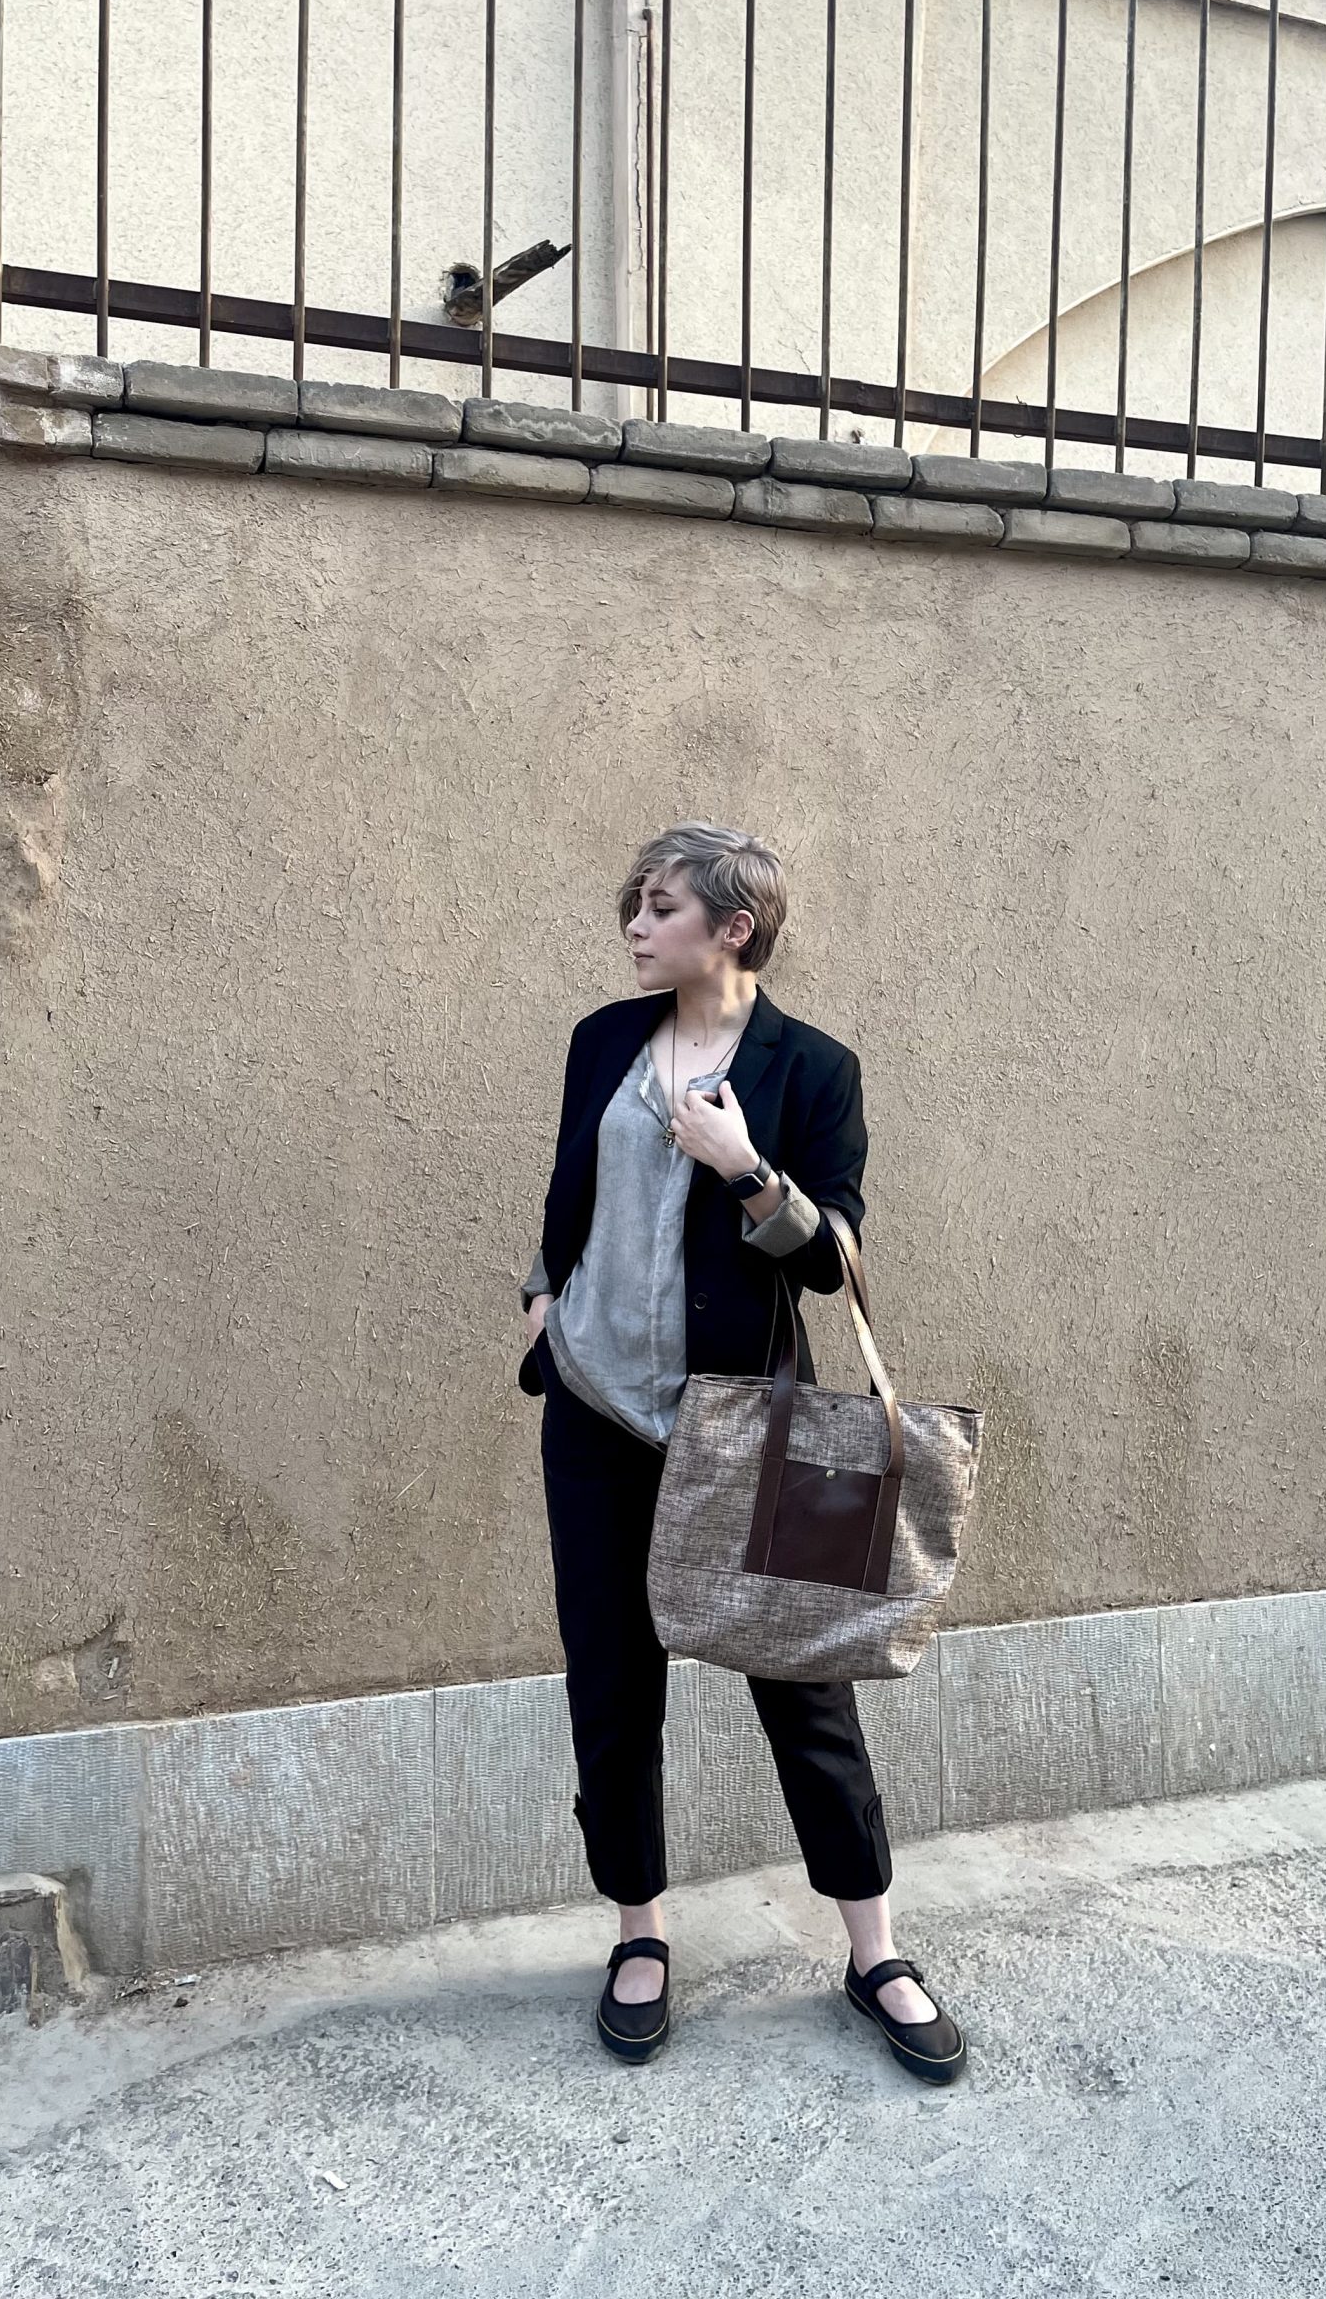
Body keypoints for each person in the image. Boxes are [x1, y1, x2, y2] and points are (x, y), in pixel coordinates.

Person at [517, 821, 965, 2083]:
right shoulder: (603, 1041)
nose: (635, 926)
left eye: (660, 908)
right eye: (635, 905)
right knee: (612, 1682)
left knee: (803, 1682)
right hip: (596, 1413)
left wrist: (748, 1170)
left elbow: (833, 1260)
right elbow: (568, 1193)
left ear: (734, 928)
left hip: (748, 1429)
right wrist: (542, 1297)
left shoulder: (813, 1068)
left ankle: (875, 1951)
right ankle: (639, 1931)